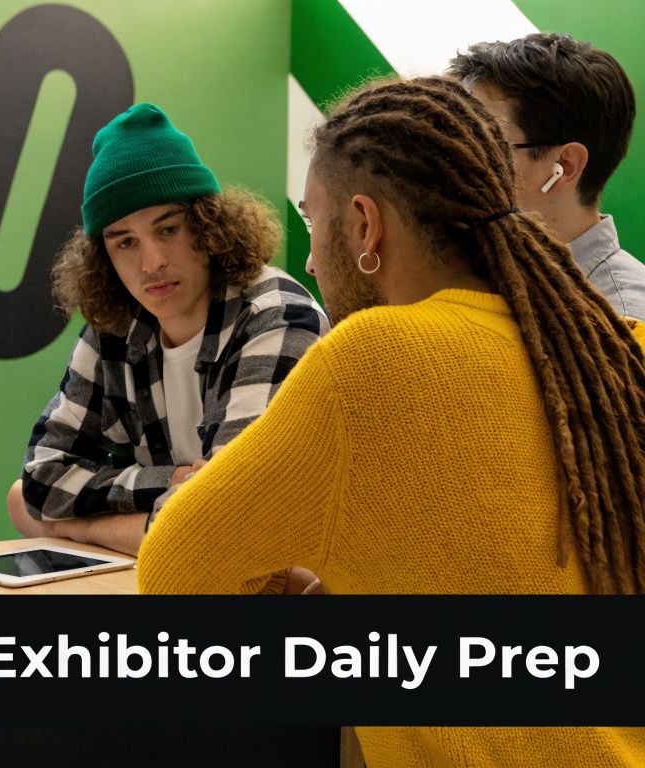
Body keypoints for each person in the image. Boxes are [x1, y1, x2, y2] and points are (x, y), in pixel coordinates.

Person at [137, 76, 645, 766]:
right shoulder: (615, 352)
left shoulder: (370, 361)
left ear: (365, 225)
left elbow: (175, 578)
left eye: (315, 223)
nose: (311, 259)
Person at [6, 102, 328, 558]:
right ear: (104, 256)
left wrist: (78, 529)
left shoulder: (277, 317)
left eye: (169, 229)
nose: (151, 261)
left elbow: (226, 518)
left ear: (211, 225)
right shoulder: (117, 326)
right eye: (125, 242)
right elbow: (41, 481)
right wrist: (171, 484)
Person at [450, 33, 645, 319]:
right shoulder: (471, 277)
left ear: (564, 166)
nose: (458, 159)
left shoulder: (625, 324)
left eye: (484, 142)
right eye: (457, 137)